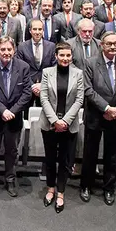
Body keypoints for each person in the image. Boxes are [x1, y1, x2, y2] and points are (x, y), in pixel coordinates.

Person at [80, 32, 116, 206]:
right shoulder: (90, 63)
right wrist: (106, 108)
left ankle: (109, 188)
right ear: (102, 45)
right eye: (109, 44)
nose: (113, 47)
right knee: (90, 154)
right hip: (96, 115)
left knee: (112, 155)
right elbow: (88, 90)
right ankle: (86, 186)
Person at [0, 36, 32, 197]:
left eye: (9, 49)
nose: (6, 52)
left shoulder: (23, 67)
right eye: (3, 49)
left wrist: (13, 111)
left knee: (12, 150)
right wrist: (3, 111)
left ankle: (10, 179)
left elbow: (27, 93)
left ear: (14, 50)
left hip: (14, 118)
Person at [39, 42, 84, 213]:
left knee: (65, 161)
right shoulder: (47, 73)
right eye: (62, 55)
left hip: (69, 125)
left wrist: (64, 121)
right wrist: (54, 121)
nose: (65, 58)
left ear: (72, 56)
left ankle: (61, 193)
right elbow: (43, 97)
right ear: (56, 56)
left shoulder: (78, 74)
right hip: (49, 124)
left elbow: (79, 100)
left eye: (68, 55)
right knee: (50, 159)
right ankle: (51, 189)